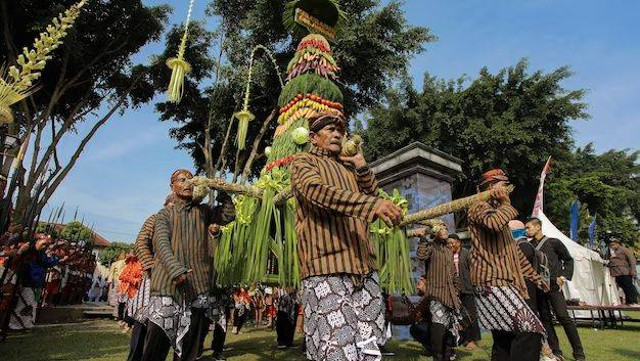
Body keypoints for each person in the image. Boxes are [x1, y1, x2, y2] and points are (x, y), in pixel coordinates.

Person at [290, 113, 404, 361]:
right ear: (313, 137)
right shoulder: (303, 162)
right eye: (330, 129)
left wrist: (361, 166)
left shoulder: (350, 170)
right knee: (336, 348)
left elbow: (375, 197)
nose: (338, 134)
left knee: (369, 346)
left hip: (364, 268)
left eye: (340, 131)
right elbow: (318, 193)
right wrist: (371, 205)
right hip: (327, 267)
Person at [141, 169, 233, 361]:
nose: (187, 183)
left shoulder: (204, 212)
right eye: (181, 180)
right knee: (155, 346)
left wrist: (222, 191)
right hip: (167, 287)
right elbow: (162, 245)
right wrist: (175, 270)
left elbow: (228, 215)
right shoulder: (163, 215)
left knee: (189, 348)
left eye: (190, 179)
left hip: (197, 288)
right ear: (172, 186)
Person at [468, 169, 548, 361]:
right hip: (490, 281)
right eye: (502, 184)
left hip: (501, 281)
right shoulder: (478, 207)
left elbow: (514, 253)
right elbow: (494, 223)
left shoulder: (500, 216)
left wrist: (535, 277)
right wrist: (506, 203)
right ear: (490, 186)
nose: (506, 189)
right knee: (529, 329)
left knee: (505, 337)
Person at [525, 217, 585, 361]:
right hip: (538, 287)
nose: (526, 230)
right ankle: (556, 352)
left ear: (538, 227)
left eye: (529, 228)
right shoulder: (528, 246)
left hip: (554, 286)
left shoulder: (554, 242)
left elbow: (568, 260)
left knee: (563, 317)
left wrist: (563, 277)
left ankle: (579, 354)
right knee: (545, 319)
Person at [416, 224, 461, 361]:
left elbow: (454, 273)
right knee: (438, 326)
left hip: (450, 296)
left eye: (445, 228)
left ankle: (446, 355)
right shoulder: (431, 247)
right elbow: (421, 255)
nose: (445, 230)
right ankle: (437, 356)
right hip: (436, 294)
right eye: (441, 228)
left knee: (448, 328)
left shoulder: (448, 249)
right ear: (435, 232)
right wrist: (422, 238)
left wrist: (457, 290)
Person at [447, 234, 480, 352]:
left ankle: (473, 340)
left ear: (459, 243)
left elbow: (474, 270)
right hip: (455, 291)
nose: (451, 245)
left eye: (453, 242)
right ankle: (463, 339)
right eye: (449, 243)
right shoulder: (448, 255)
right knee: (459, 317)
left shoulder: (466, 253)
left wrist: (474, 284)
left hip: (467, 289)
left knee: (470, 315)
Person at [608, 238, 638, 306]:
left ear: (618, 244)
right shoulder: (613, 252)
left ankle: (633, 301)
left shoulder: (624, 250)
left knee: (629, 286)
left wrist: (633, 271)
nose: (612, 246)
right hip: (617, 273)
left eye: (613, 244)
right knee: (623, 287)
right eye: (611, 245)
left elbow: (632, 260)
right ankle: (629, 302)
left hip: (624, 272)